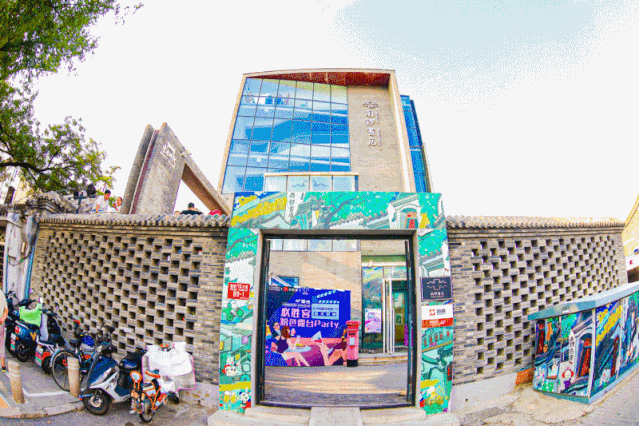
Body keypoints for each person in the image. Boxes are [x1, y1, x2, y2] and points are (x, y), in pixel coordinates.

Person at [0, 291, 8, 373]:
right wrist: (2, 319)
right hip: (0, 323)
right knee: (1, 343)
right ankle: (3, 365)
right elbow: (6, 310)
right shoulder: (2, 294)